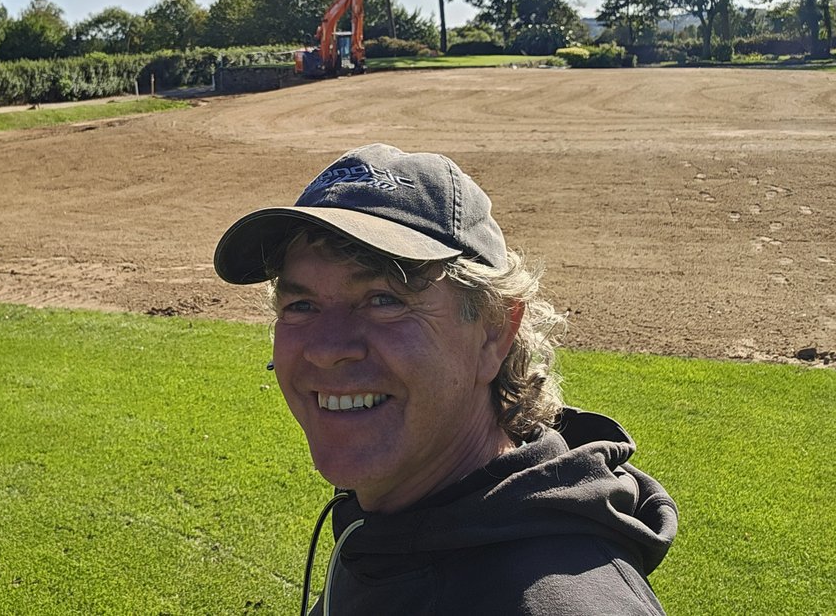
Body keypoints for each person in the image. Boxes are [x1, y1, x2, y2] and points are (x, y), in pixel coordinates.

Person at [214, 144, 677, 615]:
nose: (327, 349)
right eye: (301, 305)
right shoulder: (394, 525)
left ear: (494, 332)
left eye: (383, 299)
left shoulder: (560, 603)